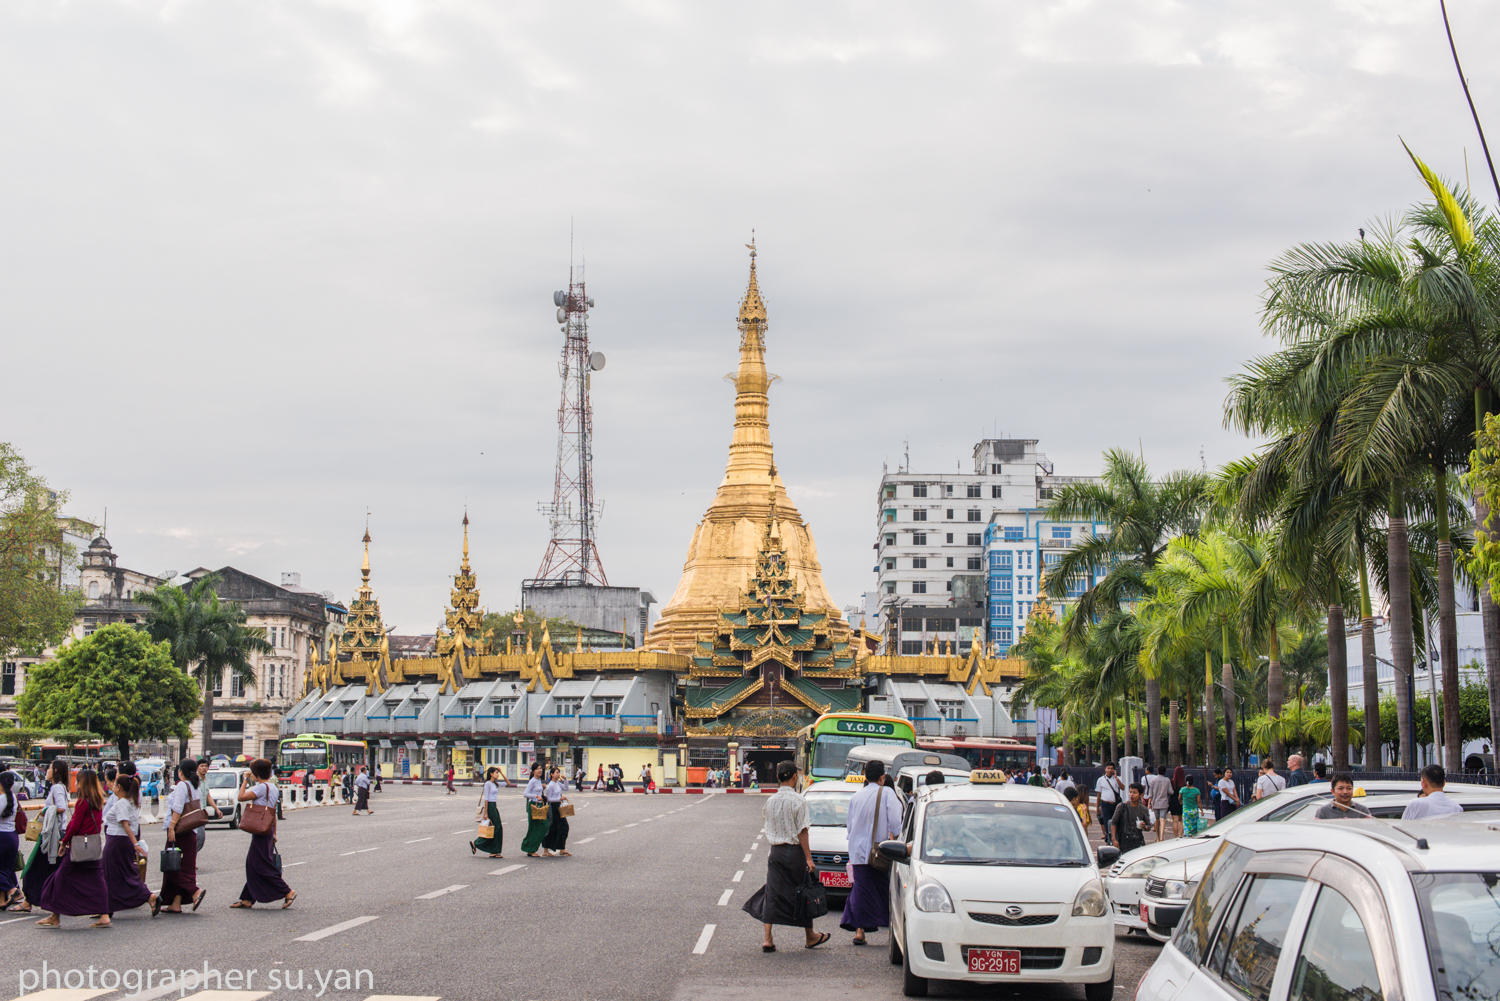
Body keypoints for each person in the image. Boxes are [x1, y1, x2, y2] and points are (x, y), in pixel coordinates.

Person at [743, 760, 829, 951]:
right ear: (794, 777)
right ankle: (810, 936)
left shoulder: (770, 801)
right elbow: (802, 831)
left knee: (772, 893)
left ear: (778, 778)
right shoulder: (799, 800)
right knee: (803, 891)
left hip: (775, 853)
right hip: (795, 852)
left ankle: (767, 938)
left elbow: (768, 823)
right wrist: (808, 858)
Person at [36, 768, 110, 928]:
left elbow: (75, 825)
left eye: (77, 781)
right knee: (97, 880)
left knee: (58, 879)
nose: (75, 784)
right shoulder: (97, 800)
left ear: (82, 783)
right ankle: (104, 914)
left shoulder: (83, 802)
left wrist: (64, 842)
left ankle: (55, 916)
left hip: (78, 846)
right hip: (93, 846)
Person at [841, 760, 901, 945]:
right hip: (879, 853)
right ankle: (894, 932)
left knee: (860, 891)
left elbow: (850, 827)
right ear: (882, 777)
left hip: (857, 853)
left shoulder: (856, 797)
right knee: (885, 892)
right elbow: (896, 823)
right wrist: (895, 838)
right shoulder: (888, 793)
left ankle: (859, 931)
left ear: (865, 776)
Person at [229, 759, 295, 909]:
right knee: (252, 864)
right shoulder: (272, 787)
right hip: (267, 828)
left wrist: (245, 779)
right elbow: (272, 813)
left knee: (261, 865)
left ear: (256, 774)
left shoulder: (261, 787)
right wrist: (274, 833)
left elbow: (240, 797)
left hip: (260, 830)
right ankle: (247, 898)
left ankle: (287, 891)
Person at [18, 760, 71, 914]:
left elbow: (61, 808)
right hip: (54, 833)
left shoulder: (56, 788)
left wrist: (45, 810)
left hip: (53, 835)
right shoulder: (58, 787)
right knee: (51, 869)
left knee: (35, 869)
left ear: (55, 771)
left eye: (49, 768)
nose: (46, 770)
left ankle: (29, 901)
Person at [102, 773, 157, 920]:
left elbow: (125, 825)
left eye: (114, 784)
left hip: (117, 841)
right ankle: (108, 907)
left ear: (119, 787)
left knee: (114, 874)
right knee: (122, 873)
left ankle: (147, 896)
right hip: (121, 841)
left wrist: (135, 844)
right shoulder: (130, 802)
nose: (112, 786)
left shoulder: (121, 804)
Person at [160, 759, 208, 913]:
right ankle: (176, 903)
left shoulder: (182, 785)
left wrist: (172, 827)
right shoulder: (196, 787)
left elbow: (178, 808)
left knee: (170, 867)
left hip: (180, 832)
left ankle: (195, 891)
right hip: (191, 832)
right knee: (185, 868)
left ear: (181, 771)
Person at [1110, 783, 1152, 854]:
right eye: (1130, 792)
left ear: (1141, 795)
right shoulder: (1122, 807)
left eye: (1134, 793)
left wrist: (1144, 827)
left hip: (1138, 842)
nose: (1131, 795)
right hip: (1124, 843)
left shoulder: (1143, 809)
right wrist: (1114, 839)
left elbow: (1148, 826)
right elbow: (1114, 822)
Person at [520, 763, 550, 857]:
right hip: (533, 806)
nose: (540, 770)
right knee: (533, 828)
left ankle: (530, 846)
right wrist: (535, 796)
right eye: (537, 769)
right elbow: (525, 794)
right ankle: (530, 849)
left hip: (540, 806)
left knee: (544, 826)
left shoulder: (538, 780)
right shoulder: (532, 781)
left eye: (540, 768)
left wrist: (542, 787)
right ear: (533, 772)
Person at [542, 766, 571, 857]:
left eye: (559, 772)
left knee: (564, 826)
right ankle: (545, 850)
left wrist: (565, 780)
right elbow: (548, 799)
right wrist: (559, 798)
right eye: (556, 772)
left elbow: (566, 788)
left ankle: (562, 848)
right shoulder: (550, 785)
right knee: (551, 827)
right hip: (552, 807)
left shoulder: (557, 783)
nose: (558, 774)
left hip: (558, 807)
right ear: (551, 774)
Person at [0, 773, 19, 909]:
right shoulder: (12, 797)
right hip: (12, 836)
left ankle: (12, 890)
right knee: (4, 870)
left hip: (2, 837)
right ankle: (1, 901)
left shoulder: (2, 798)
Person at [1094, 764, 1123, 847]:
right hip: (1105, 804)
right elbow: (1099, 794)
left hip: (1115, 804)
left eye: (1112, 768)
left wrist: (1116, 777)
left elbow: (1123, 787)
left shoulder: (1117, 779)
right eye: (1108, 768)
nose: (1110, 770)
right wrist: (1097, 808)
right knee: (1107, 823)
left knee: (1116, 821)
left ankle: (1116, 838)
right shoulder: (1101, 780)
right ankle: (1109, 840)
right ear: (1105, 769)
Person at [1144, 765, 1174, 842]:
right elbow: (1171, 792)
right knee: (1162, 819)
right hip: (1164, 802)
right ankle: (1161, 836)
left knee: (1157, 820)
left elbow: (1150, 794)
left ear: (1157, 771)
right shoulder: (1167, 780)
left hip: (1155, 802)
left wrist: (1149, 804)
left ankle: (1157, 837)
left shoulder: (1153, 780)